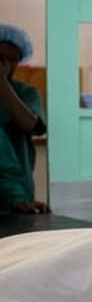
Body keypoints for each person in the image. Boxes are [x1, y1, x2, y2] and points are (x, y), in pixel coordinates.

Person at [0, 23, 49, 214]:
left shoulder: (26, 93)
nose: (5, 64)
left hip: (18, 190)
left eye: (12, 59)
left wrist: (2, 83)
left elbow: (29, 124)